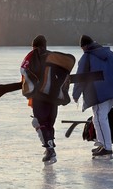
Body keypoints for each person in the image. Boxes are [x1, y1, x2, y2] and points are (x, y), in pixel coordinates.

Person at [20, 35, 75, 165]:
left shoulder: (32, 56)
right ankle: (50, 148)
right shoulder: (53, 57)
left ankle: (49, 149)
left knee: (39, 121)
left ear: (34, 46)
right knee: (49, 122)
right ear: (45, 45)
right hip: (54, 96)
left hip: (40, 95)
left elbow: (24, 71)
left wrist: (29, 89)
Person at [72, 35, 113, 159]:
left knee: (100, 118)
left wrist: (75, 94)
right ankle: (102, 144)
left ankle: (107, 148)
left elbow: (81, 77)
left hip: (99, 92)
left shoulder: (87, 56)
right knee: (98, 118)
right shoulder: (111, 54)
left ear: (84, 46)